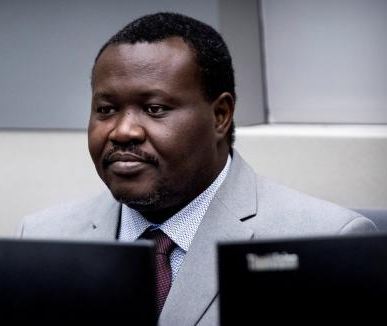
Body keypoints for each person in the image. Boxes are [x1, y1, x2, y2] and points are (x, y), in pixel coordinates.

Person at [19, 12, 377, 325]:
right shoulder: (41, 238)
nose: (123, 131)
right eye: (106, 109)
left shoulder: (326, 240)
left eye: (155, 109)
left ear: (220, 116)